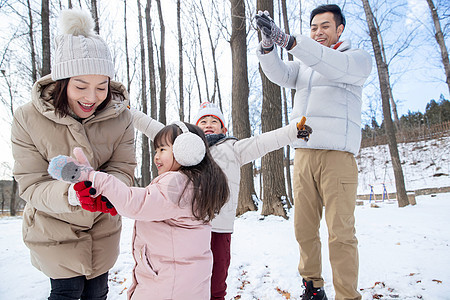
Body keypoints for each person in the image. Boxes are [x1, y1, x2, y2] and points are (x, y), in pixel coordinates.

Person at [11, 9, 136, 299]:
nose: (92, 97)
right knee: (67, 291)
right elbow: (31, 183)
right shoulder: (27, 118)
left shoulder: (121, 117)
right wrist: (70, 194)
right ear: (62, 82)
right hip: (53, 229)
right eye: (81, 86)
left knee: (96, 292)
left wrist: (110, 190)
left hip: (102, 230)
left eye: (101, 87)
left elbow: (123, 167)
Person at [130, 102, 312, 300]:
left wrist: (293, 131)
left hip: (219, 228)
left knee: (216, 283)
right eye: (203, 121)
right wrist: (129, 111)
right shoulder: (186, 147)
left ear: (223, 127)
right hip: (189, 227)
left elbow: (263, 142)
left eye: (214, 121)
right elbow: (153, 127)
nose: (209, 124)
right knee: (187, 281)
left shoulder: (234, 148)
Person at [255, 4, 372, 300]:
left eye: (325, 26)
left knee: (340, 232)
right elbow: (280, 74)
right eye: (314, 28)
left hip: (337, 158)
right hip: (304, 155)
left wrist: (291, 42)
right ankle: (312, 285)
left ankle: (347, 294)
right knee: (304, 227)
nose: (318, 32)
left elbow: (330, 65)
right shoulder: (305, 66)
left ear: (339, 29)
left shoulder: (355, 60)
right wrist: (269, 47)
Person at [48, 122, 230, 300]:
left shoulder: (176, 183)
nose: (156, 156)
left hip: (167, 284)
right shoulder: (196, 184)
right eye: (156, 150)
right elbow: (151, 203)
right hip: (185, 282)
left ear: (186, 150)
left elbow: (137, 204)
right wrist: (111, 200)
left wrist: (92, 176)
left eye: (162, 149)